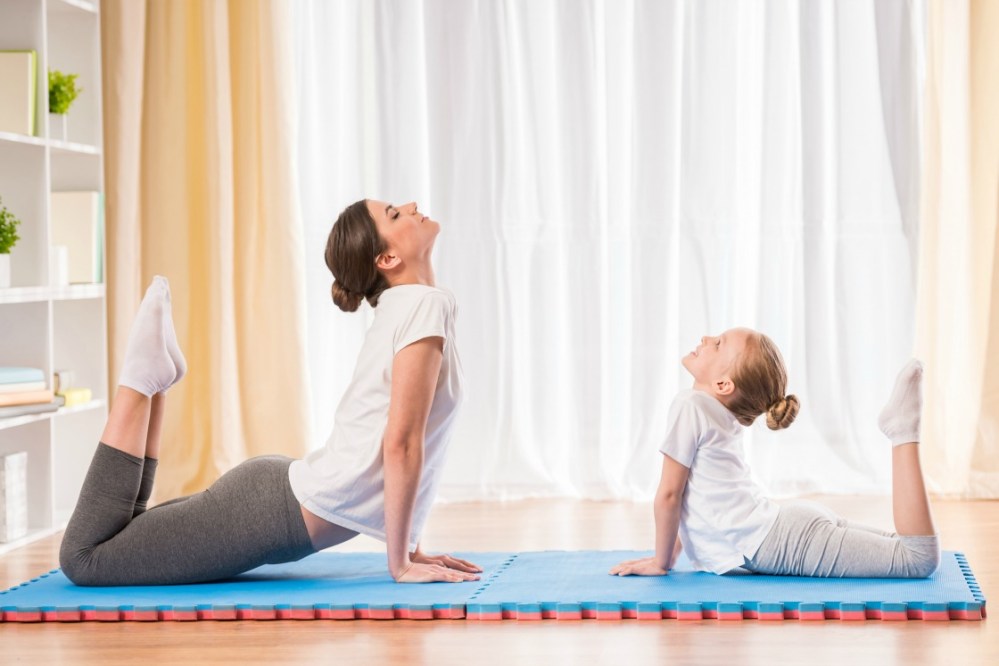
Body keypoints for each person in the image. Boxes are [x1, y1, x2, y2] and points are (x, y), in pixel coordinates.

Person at [60, 199, 481, 586]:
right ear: (387, 258)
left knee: (125, 535)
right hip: (269, 512)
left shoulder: (416, 305)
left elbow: (414, 442)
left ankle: (155, 384)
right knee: (85, 559)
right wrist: (401, 563)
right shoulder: (421, 306)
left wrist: (412, 550)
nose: (409, 206)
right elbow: (401, 444)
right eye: (394, 213)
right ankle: (139, 383)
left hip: (273, 502)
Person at [610, 328, 940, 579]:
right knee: (906, 550)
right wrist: (669, 556)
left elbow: (670, 495)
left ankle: (902, 432)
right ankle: (902, 430)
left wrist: (661, 562)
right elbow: (690, 502)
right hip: (785, 529)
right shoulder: (712, 413)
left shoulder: (690, 406)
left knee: (917, 559)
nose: (707, 338)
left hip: (782, 540)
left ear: (724, 385)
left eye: (719, 344)